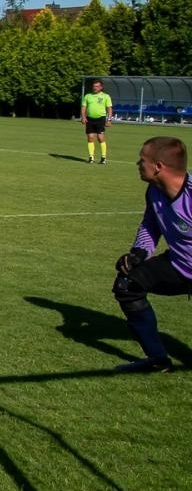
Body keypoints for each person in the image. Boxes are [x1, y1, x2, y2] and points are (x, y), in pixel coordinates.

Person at [111, 135, 191, 373]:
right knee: (127, 285)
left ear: (158, 167)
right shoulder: (154, 191)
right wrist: (138, 252)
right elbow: (151, 224)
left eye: (142, 160)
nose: (138, 164)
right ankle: (157, 360)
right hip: (179, 265)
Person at [81, 78, 113, 164]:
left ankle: (103, 157)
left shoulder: (106, 96)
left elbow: (109, 108)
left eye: (97, 86)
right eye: (94, 86)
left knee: (100, 137)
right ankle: (91, 157)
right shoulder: (88, 96)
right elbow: (84, 107)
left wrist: (109, 119)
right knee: (90, 137)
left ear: (101, 87)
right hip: (90, 119)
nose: (95, 88)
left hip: (101, 118)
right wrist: (83, 117)